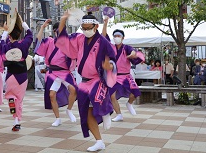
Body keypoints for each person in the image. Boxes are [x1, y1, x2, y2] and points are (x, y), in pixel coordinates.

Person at [56, 12, 117, 152]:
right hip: (83, 81)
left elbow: (112, 59)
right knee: (86, 112)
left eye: (88, 27)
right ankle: (99, 141)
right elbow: (63, 41)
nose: (85, 30)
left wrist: (110, 66)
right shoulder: (79, 38)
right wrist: (63, 21)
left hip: (98, 79)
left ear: (95, 26)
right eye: (83, 28)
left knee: (97, 98)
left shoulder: (103, 42)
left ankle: (106, 111)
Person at [0, 10, 33, 131]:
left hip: (11, 74)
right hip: (23, 75)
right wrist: (23, 24)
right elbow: (30, 35)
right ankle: (17, 120)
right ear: (19, 35)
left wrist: (6, 32)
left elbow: (1, 43)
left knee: (10, 96)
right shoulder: (24, 44)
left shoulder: (6, 46)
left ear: (10, 36)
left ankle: (13, 112)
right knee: (20, 99)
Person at [35, 20, 77, 127]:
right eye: (59, 30)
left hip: (65, 72)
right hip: (53, 73)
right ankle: (57, 118)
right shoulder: (49, 42)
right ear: (55, 32)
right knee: (52, 95)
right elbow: (38, 41)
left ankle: (69, 110)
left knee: (74, 91)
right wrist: (42, 27)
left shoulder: (69, 43)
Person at [101, 19, 145, 122]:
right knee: (111, 96)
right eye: (115, 36)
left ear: (123, 38)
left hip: (126, 76)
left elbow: (134, 52)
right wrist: (105, 23)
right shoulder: (110, 47)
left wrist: (133, 54)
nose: (117, 38)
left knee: (135, 93)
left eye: (119, 36)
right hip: (114, 76)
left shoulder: (127, 48)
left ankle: (129, 104)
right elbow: (103, 37)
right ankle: (119, 114)